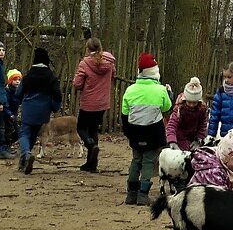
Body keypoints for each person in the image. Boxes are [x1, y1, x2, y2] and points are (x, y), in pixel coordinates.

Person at [121, 53, 172, 205]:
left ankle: (131, 194)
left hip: (135, 132)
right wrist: (169, 93)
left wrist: (128, 131)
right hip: (153, 132)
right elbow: (167, 107)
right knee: (148, 161)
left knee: (136, 160)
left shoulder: (130, 90)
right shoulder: (161, 90)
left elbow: (125, 113)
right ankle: (143, 194)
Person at [72, 37, 116, 172]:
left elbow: (77, 83)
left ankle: (91, 146)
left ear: (88, 48)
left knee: (81, 128)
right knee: (93, 129)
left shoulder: (85, 63)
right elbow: (113, 76)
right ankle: (92, 164)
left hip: (88, 102)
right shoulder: (109, 63)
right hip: (103, 103)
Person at [16, 48, 63, 174]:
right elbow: (58, 95)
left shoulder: (28, 76)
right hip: (43, 111)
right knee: (33, 135)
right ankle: (23, 162)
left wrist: (19, 100)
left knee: (24, 133)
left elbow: (18, 93)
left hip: (28, 108)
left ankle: (26, 154)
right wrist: (54, 107)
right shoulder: (51, 76)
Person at [166, 77, 209, 150]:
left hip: (193, 138)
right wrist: (172, 141)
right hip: (179, 138)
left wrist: (198, 139)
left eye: (194, 102)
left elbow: (203, 125)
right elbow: (172, 124)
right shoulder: (179, 109)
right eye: (189, 102)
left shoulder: (202, 109)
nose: (191, 105)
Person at [4, 69, 22, 149]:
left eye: (19, 80)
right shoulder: (7, 92)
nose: (17, 81)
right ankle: (6, 146)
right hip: (7, 115)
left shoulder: (18, 91)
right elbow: (5, 105)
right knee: (7, 131)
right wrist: (9, 114)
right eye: (15, 79)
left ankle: (9, 144)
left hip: (14, 115)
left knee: (18, 133)